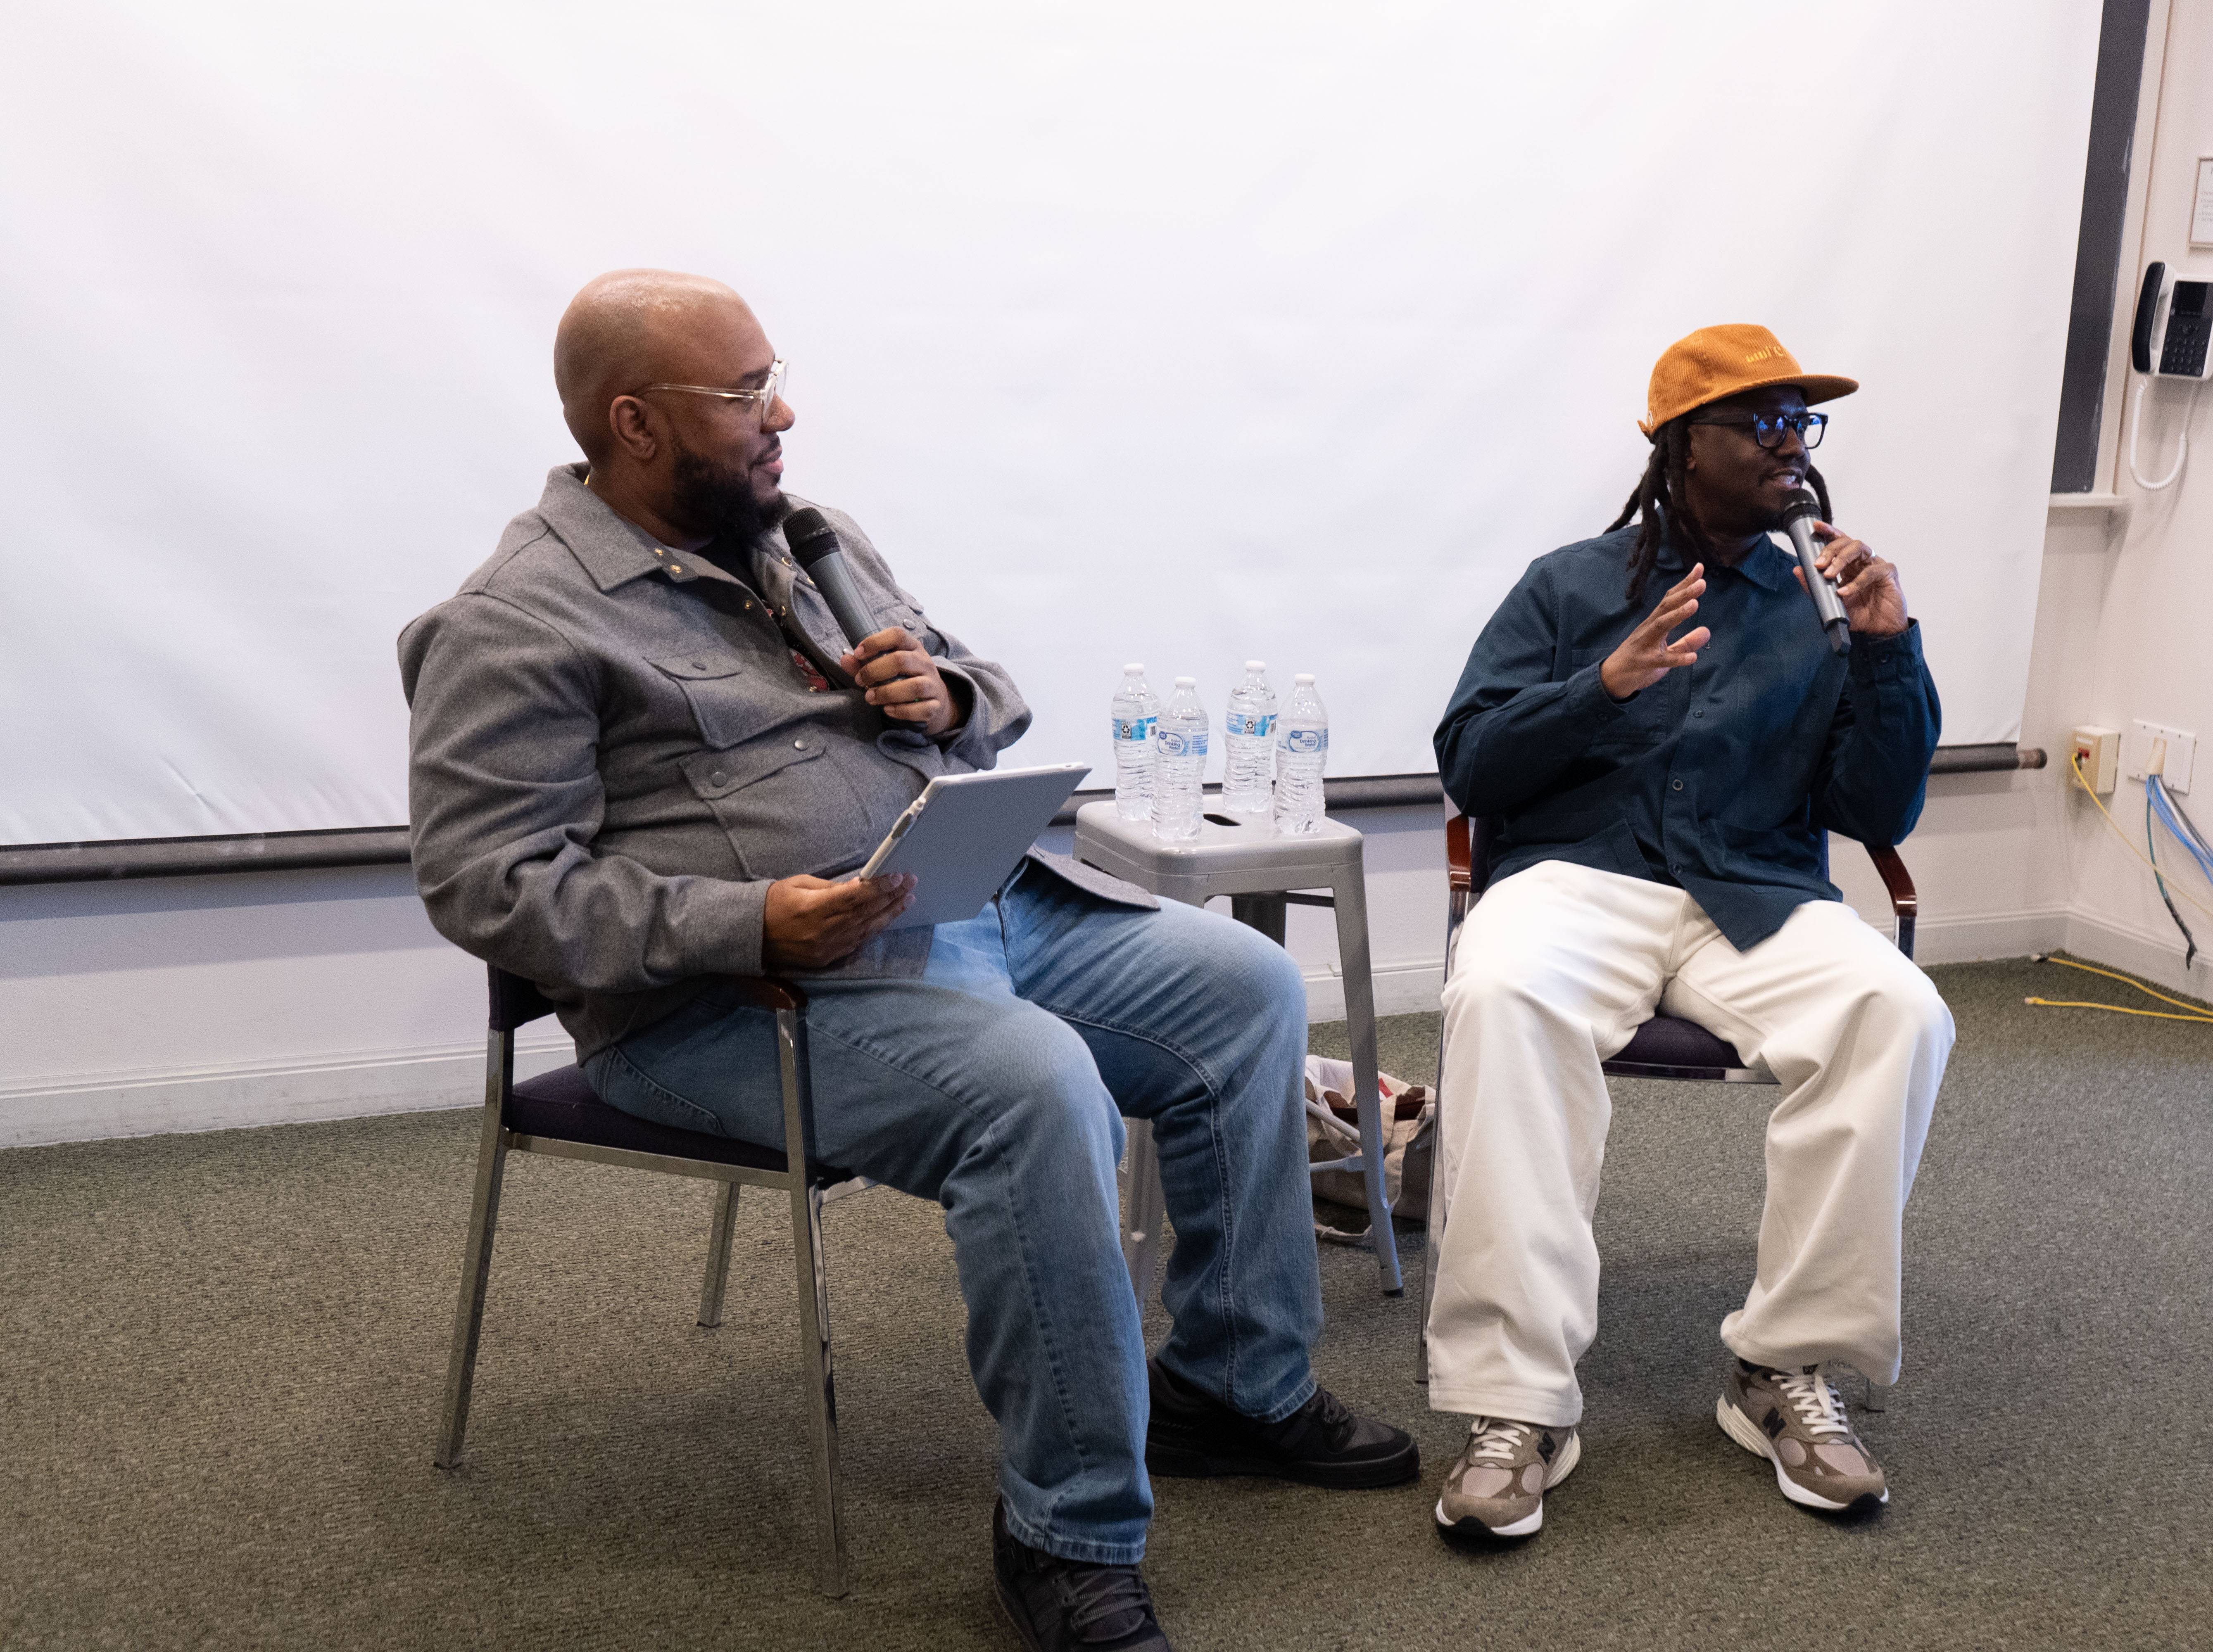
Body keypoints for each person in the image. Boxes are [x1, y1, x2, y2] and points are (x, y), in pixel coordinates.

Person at [398, 270, 1414, 1652]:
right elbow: (488, 884)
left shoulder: (808, 532)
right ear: (634, 423)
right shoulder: (517, 622)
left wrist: (954, 697)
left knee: (1245, 988)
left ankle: (1235, 1386)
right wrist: (748, 922)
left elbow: (979, 682)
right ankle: (1068, 1535)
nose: (784, 414)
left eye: (775, 381)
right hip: (740, 1003)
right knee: (1037, 1088)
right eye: (748, 393)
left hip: (979, 910)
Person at [1424, 323, 1951, 1541]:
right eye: (1761, 422)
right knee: (1500, 996)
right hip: (1578, 882)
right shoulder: (1566, 586)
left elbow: (1878, 811)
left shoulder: (1825, 600)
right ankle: (1520, 1405)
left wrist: (1888, 651)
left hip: (1753, 897)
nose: (1789, 446)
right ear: (1681, 448)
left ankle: (1782, 1370)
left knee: (1898, 1010)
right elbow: (1472, 763)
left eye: (1800, 423)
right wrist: (1597, 687)